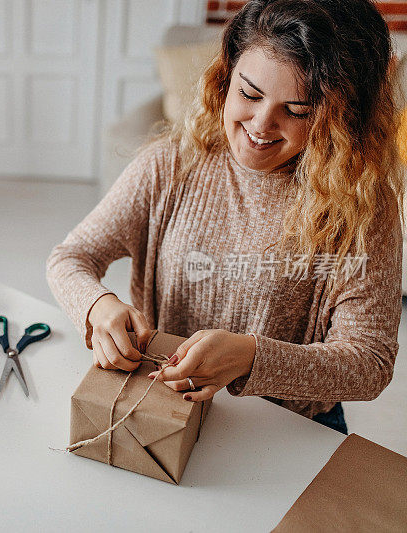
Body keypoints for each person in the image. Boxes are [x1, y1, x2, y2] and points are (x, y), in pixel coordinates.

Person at [46, 0, 404, 434]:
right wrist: (98, 307)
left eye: (297, 111)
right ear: (226, 75)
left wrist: (252, 357)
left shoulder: (363, 206)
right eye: (249, 94)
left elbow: (369, 362)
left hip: (289, 430)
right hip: (162, 405)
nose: (261, 124)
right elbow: (70, 258)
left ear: (340, 118)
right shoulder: (171, 166)